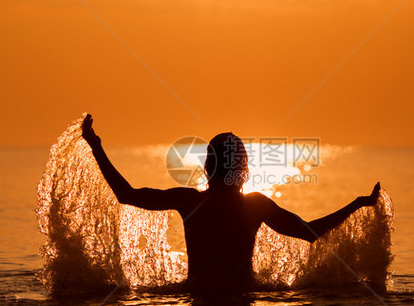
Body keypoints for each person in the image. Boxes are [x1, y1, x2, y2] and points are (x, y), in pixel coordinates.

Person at [81, 114, 380, 292]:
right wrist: (357, 204)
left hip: (197, 305)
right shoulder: (254, 206)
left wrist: (97, 148)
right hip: (243, 302)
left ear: (208, 167)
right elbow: (311, 232)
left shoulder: (190, 201)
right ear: (243, 169)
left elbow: (127, 194)